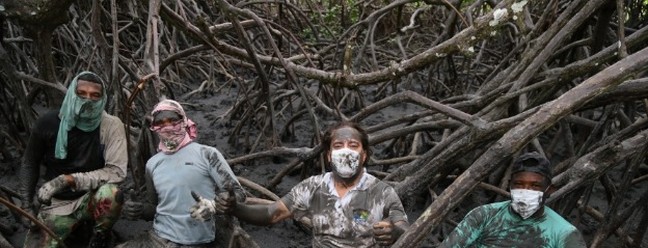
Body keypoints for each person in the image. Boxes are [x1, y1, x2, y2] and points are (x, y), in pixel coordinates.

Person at [190, 121, 409, 247]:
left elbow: (405, 228)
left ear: (364, 155)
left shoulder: (382, 192)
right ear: (329, 156)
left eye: (353, 145)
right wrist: (235, 208)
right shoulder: (312, 187)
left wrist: (396, 233)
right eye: (338, 145)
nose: (346, 150)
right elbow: (271, 214)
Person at [18, 71, 128, 248]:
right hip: (57, 202)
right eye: (81, 93)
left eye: (95, 95)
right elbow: (30, 162)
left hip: (91, 198)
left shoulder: (111, 125)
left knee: (112, 193)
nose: (88, 100)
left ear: (102, 99)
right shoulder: (48, 122)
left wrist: (68, 180)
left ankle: (99, 237)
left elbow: (116, 172)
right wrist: (25, 205)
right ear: (71, 93)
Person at [117, 99, 246, 248]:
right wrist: (138, 210)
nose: (168, 127)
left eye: (173, 120)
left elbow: (238, 193)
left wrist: (217, 204)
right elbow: (155, 207)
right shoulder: (152, 164)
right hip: (160, 238)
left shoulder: (207, 154)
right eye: (161, 123)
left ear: (184, 121)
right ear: (154, 127)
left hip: (201, 241)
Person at [439, 152, 587, 248]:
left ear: (549, 190)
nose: (526, 191)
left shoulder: (565, 234)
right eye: (519, 184)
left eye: (535, 186)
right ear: (509, 185)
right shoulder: (484, 215)